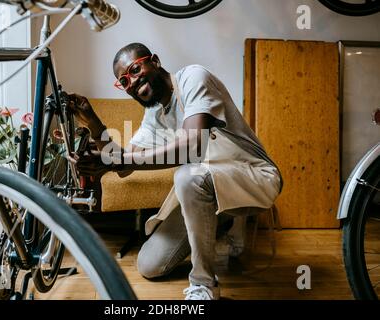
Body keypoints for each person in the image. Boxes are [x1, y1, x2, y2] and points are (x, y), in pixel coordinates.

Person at [70, 43, 282, 300]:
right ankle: (222, 222)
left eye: (135, 69)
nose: (133, 81)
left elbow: (192, 147)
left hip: (254, 175)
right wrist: (93, 122)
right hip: (208, 185)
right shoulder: (153, 116)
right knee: (150, 265)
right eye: (124, 81)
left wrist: (121, 160)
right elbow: (123, 167)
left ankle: (204, 285)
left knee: (187, 175)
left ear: (155, 61)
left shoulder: (193, 77)